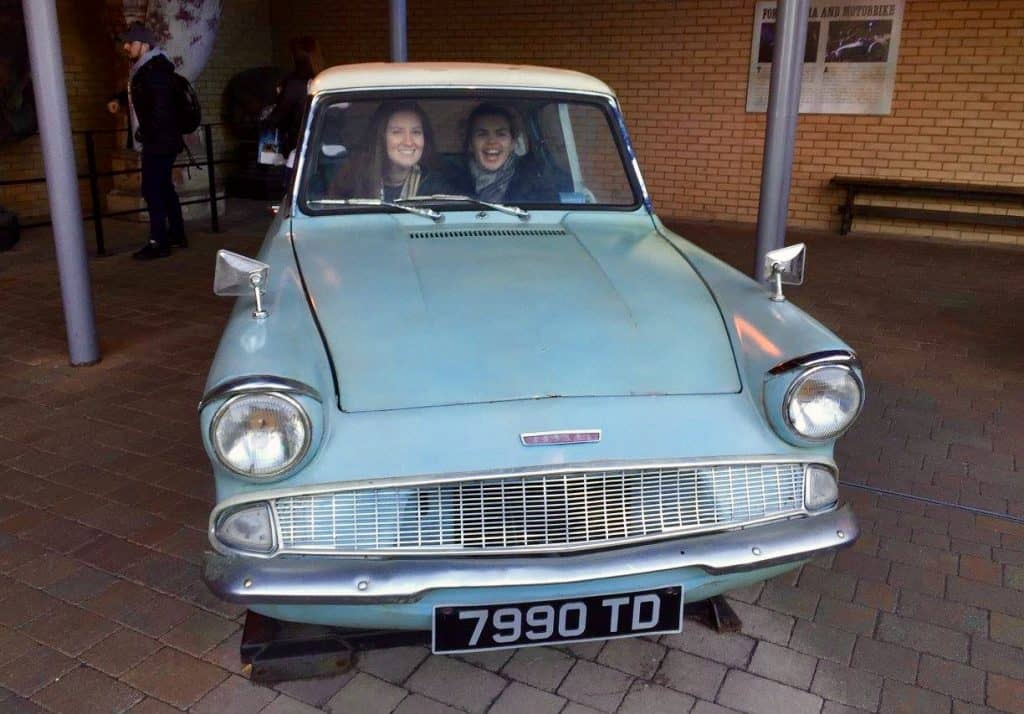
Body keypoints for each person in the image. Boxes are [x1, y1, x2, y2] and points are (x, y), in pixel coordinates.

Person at [107, 22, 186, 260]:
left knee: (151, 189)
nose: (126, 47)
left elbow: (160, 110)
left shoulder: (155, 70)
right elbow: (138, 91)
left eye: (130, 42)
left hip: (159, 141)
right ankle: (177, 234)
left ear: (144, 44)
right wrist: (118, 99)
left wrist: (145, 133)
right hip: (162, 139)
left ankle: (158, 242)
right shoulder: (146, 69)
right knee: (163, 187)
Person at [330, 101, 451, 201]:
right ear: (380, 137)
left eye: (416, 132)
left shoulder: (439, 186)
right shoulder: (353, 179)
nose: (408, 142)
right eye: (397, 132)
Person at [459, 103, 557, 203]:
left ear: (512, 143)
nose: (492, 141)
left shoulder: (536, 179)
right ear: (471, 143)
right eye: (482, 134)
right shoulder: (449, 179)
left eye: (501, 134)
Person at [263, 36, 323, 161]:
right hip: (325, 144)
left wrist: (264, 120)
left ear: (295, 56)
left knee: (268, 139)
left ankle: (268, 163)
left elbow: (278, 117)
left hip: (298, 146)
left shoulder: (294, 83)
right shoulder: (324, 77)